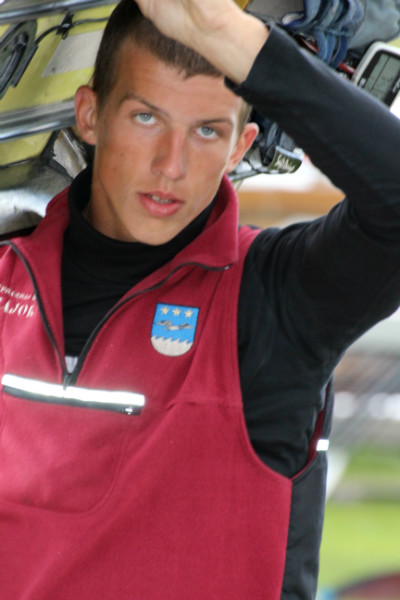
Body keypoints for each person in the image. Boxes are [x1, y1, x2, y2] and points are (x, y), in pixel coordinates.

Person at [0, 0, 399, 598]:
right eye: (146, 118)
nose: (172, 165)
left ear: (242, 146)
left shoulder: (273, 299)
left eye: (207, 130)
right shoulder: (9, 272)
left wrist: (229, 35)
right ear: (90, 115)